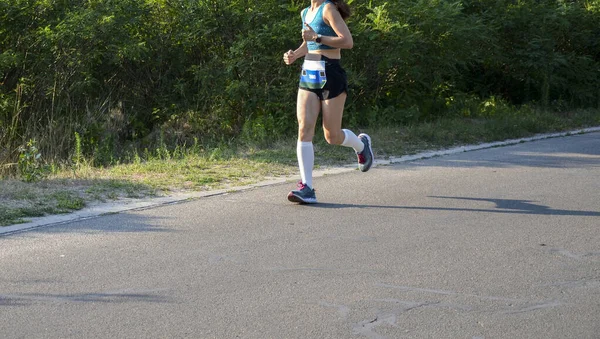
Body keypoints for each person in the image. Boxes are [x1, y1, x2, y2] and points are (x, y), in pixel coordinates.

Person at [283, 0, 373, 204]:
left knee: (331, 136)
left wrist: (318, 36)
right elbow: (309, 43)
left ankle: (361, 145)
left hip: (331, 72)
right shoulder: (305, 12)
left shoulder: (328, 9)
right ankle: (307, 187)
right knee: (304, 128)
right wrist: (295, 54)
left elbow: (347, 41)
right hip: (309, 72)